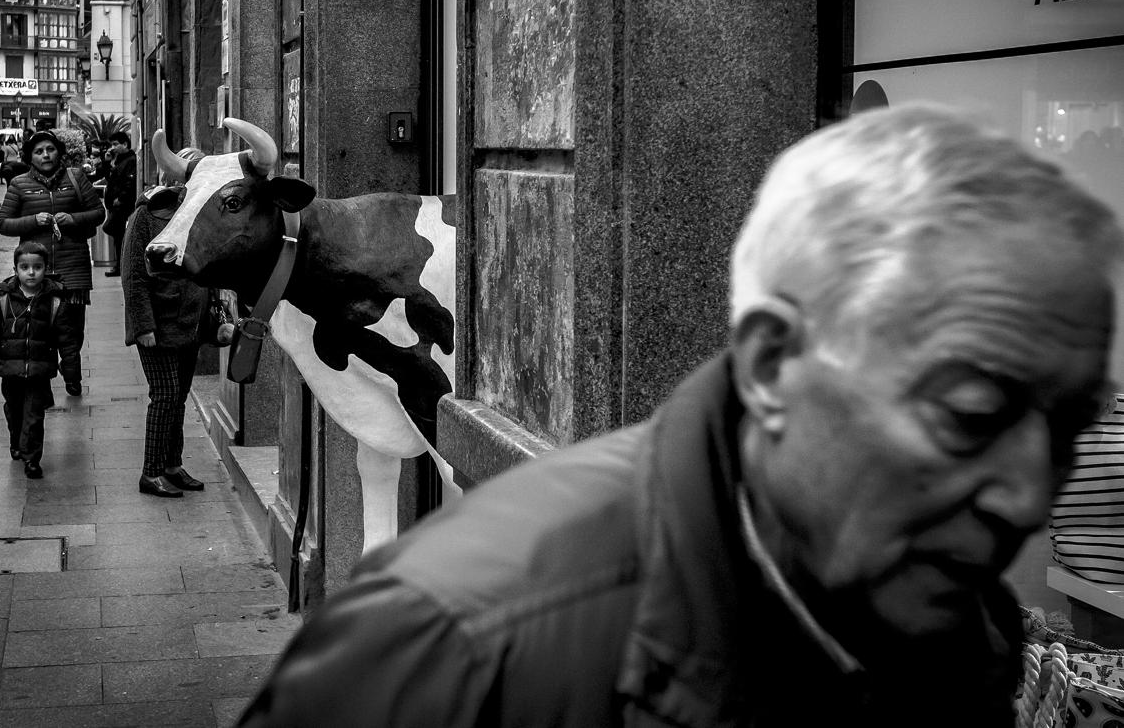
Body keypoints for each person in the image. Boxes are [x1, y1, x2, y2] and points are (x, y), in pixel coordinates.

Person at [235, 103, 1124, 728]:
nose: (1028, 495)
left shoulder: (959, 628)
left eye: (1070, 420)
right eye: (970, 414)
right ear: (777, 366)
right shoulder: (439, 653)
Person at [121, 147, 232, 497]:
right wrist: (143, 326)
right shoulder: (147, 213)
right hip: (158, 322)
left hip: (191, 322)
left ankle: (172, 465)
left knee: (179, 396)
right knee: (165, 396)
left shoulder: (202, 211)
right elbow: (134, 275)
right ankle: (150, 472)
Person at [0, 128, 104, 391]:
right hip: (35, 270)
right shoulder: (19, 184)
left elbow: (98, 213)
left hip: (72, 265)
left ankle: (72, 375)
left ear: (59, 152)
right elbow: (4, 224)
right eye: (39, 151)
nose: (46, 155)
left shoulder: (76, 177)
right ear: (30, 156)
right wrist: (33, 221)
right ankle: (43, 374)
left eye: (50, 149)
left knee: (73, 327)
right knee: (41, 328)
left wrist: (74, 219)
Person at [0, 240, 82, 479]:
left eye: (37, 267)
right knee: (14, 410)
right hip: (10, 368)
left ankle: (32, 458)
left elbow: (68, 341)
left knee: (34, 415)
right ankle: (16, 440)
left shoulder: (55, 301)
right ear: (16, 270)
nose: (31, 272)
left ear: (45, 268)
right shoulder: (3, 299)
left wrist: (72, 372)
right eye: (25, 267)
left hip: (39, 370)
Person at [102, 129, 136, 278]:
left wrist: (120, 199)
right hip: (117, 206)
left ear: (125, 144)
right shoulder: (119, 160)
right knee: (117, 236)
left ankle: (122, 266)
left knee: (119, 235)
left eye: (116, 144)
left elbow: (129, 182)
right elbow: (109, 179)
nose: (113, 147)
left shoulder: (131, 160)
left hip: (123, 207)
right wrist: (107, 162)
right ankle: (119, 265)